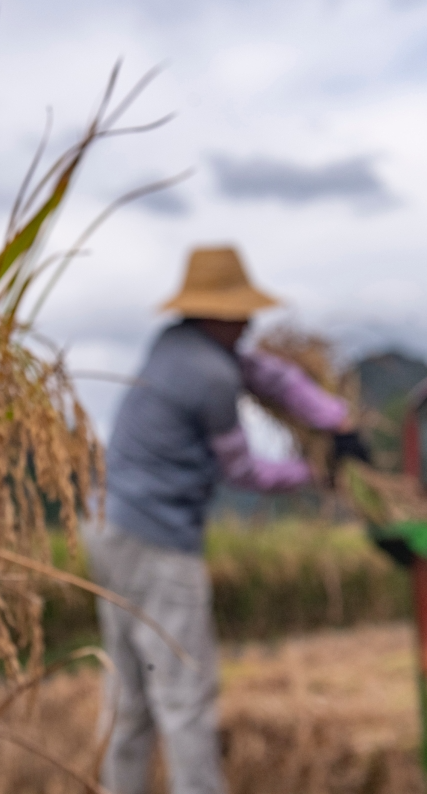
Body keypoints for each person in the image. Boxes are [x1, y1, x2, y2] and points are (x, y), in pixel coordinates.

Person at [85, 246, 365, 794]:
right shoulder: (209, 375)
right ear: (212, 314)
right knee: (185, 695)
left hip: (107, 527)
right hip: (156, 542)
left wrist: (335, 420)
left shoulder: (174, 344)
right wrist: (316, 472)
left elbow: (267, 376)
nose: (249, 322)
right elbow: (243, 470)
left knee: (130, 694)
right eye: (238, 312)